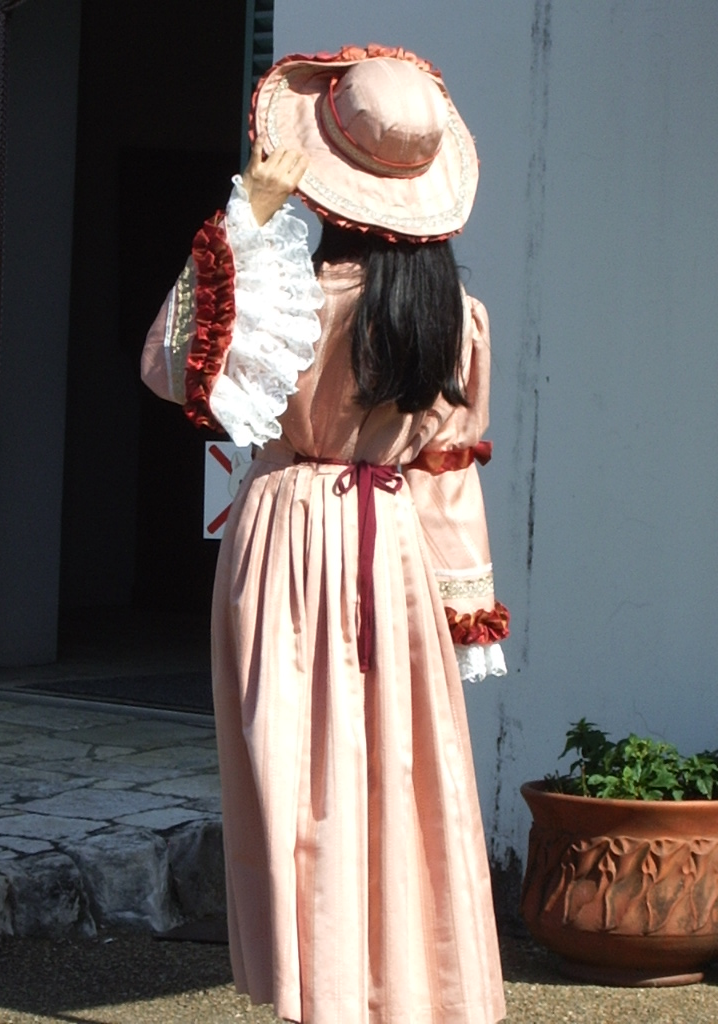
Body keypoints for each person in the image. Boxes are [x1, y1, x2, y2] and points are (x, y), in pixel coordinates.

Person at [143, 43, 509, 1024]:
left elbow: (170, 368)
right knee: (401, 769)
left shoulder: (283, 298)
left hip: (285, 538)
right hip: (393, 543)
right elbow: (448, 472)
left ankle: (320, 992)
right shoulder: (455, 317)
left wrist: (246, 216)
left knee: (294, 773)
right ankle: (408, 987)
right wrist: (465, 600)